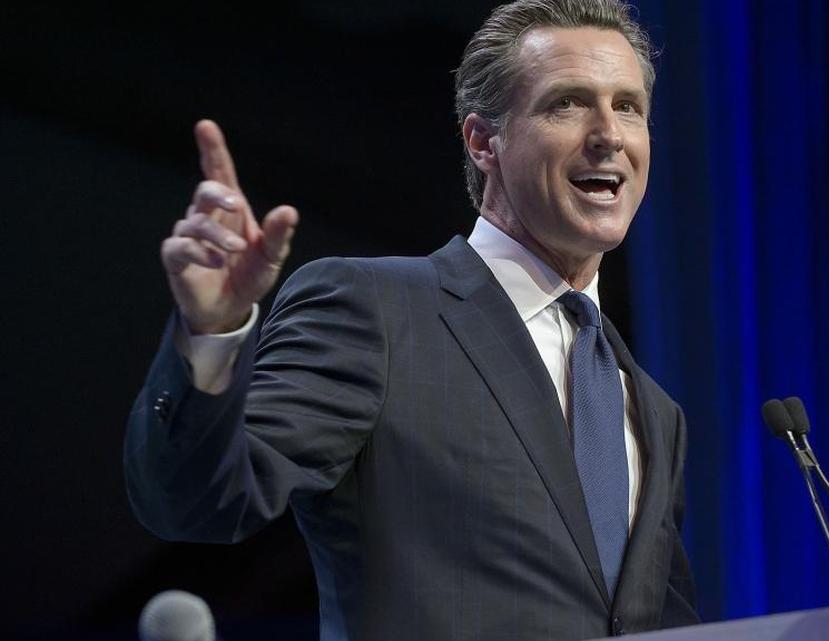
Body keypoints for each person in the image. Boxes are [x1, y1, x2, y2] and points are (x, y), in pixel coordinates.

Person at [125, 1, 698, 639]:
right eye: (566, 102)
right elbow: (201, 502)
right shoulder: (375, 312)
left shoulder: (651, 407)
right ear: (484, 142)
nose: (609, 134)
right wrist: (210, 337)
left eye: (628, 107)